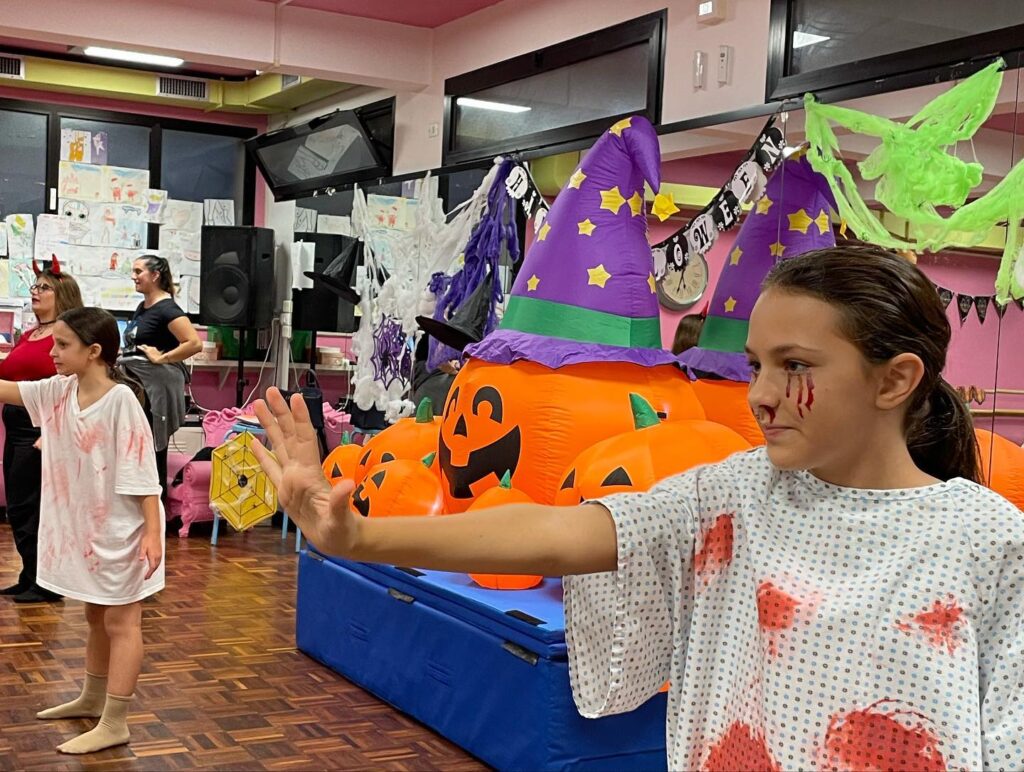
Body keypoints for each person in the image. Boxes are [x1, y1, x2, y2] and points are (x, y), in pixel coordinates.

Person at [253, 246, 1022, 771]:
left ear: (895, 380)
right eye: (755, 365)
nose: (759, 395)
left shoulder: (987, 541)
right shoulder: (732, 493)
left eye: (794, 366)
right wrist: (358, 535)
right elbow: (560, 531)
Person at [0, 307, 163, 755]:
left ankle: (115, 722)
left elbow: (143, 474)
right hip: (88, 533)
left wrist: (153, 533)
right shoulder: (60, 390)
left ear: (93, 351)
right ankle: (92, 697)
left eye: (62, 345)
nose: (52, 353)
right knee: (95, 616)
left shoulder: (121, 400)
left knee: (122, 622)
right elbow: (8, 389)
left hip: (123, 533)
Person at [0, 260, 83, 603]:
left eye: (43, 287)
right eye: (34, 286)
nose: (35, 292)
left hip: (40, 428)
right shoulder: (30, 334)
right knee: (19, 506)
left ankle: (45, 582)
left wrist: (53, 432)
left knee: (35, 507)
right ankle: (29, 575)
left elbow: (73, 387)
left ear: (62, 294)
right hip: (16, 426)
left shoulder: (65, 339)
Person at [120, 256, 201, 500]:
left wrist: (162, 358)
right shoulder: (143, 307)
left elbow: (194, 343)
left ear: (155, 275)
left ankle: (156, 512)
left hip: (153, 393)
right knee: (137, 451)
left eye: (138, 271)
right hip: (139, 388)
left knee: (152, 453)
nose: (133, 276)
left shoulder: (167, 309)